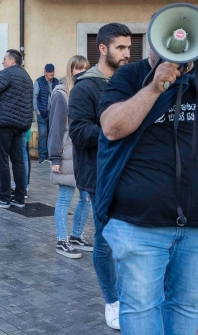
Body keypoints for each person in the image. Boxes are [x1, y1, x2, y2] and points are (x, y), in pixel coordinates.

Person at [97, 45, 198, 335]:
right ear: (153, 43)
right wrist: (154, 88)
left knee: (187, 306)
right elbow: (111, 128)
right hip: (138, 223)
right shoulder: (130, 76)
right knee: (140, 306)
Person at [68, 23, 132, 330]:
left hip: (131, 174)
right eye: (120, 48)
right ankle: (112, 300)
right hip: (99, 176)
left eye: (129, 48)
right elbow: (79, 133)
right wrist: (116, 128)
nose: (127, 54)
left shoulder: (131, 84)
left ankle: (130, 293)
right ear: (103, 49)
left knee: (131, 240)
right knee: (105, 242)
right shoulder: (85, 87)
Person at [49, 55, 92, 259]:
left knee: (87, 198)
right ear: (70, 70)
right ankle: (62, 240)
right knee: (65, 198)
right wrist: (55, 158)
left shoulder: (85, 91)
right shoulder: (61, 94)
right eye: (78, 68)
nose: (82, 71)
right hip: (67, 154)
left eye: (85, 68)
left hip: (85, 154)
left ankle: (76, 236)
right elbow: (55, 128)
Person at [0, 49, 34, 209]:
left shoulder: (8, 73)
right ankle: (19, 198)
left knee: (2, 159)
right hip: (20, 125)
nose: (2, 62)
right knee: (18, 161)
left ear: (12, 61)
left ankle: (3, 197)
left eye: (4, 59)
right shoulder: (26, 76)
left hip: (5, 123)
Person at [34, 63, 59, 163]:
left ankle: (50, 154)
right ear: (45, 72)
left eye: (52, 71)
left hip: (53, 114)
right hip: (42, 114)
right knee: (43, 134)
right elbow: (34, 96)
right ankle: (42, 155)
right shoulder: (39, 82)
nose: (51, 73)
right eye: (49, 72)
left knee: (52, 135)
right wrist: (37, 111)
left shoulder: (57, 82)